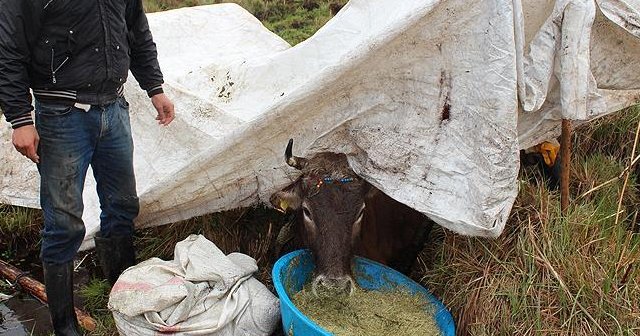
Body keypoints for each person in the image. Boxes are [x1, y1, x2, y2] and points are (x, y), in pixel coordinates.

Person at [0, 0, 175, 334]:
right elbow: (7, 49)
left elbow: (137, 31)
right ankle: (65, 326)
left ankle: (122, 301)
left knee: (123, 206)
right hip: (60, 114)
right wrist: (20, 118)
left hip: (114, 108)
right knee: (64, 225)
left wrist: (154, 87)